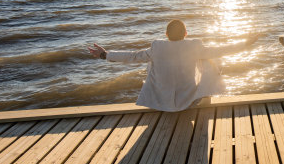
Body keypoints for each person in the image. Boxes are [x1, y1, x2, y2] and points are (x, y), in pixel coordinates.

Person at [88, 19, 259, 112]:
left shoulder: (157, 46)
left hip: (161, 102)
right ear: (186, 33)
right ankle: (204, 95)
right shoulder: (194, 45)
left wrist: (105, 55)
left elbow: (132, 56)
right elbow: (222, 49)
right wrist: (246, 43)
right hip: (189, 101)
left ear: (166, 34)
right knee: (212, 57)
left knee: (149, 62)